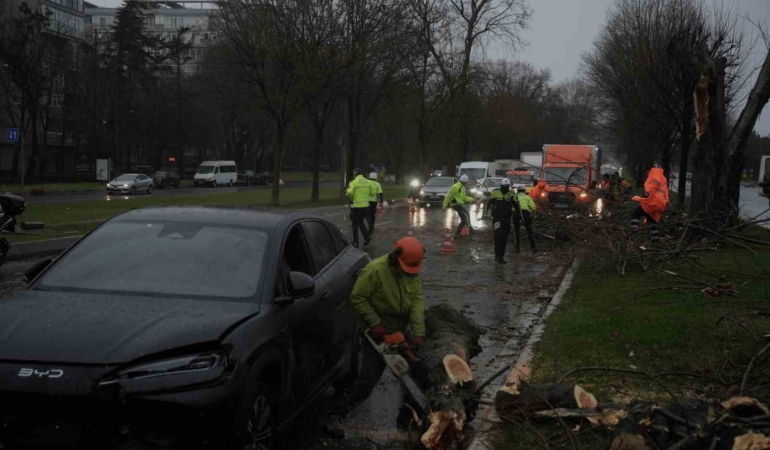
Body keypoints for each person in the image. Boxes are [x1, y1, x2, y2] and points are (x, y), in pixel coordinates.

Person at [350, 236, 426, 347]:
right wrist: (374, 322)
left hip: (401, 329)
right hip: (378, 330)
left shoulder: (412, 270)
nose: (408, 274)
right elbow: (357, 297)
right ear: (396, 259)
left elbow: (416, 300)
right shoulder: (375, 270)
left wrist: (418, 333)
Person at [631, 167, 669, 241]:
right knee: (651, 220)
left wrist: (646, 193)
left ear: (649, 170)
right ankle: (655, 240)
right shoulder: (662, 177)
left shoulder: (655, 172)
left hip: (654, 202)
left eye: (647, 173)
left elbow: (655, 183)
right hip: (660, 204)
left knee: (635, 213)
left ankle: (634, 234)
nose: (647, 175)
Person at [489, 178, 516, 264]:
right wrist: (487, 213)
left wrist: (519, 217)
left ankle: (501, 256)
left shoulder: (511, 194)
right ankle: (497, 256)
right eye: (504, 186)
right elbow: (488, 203)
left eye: (507, 186)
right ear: (501, 186)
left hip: (506, 219)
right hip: (497, 218)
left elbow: (517, 206)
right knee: (498, 236)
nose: (505, 188)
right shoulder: (495, 193)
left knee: (504, 238)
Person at [347, 168, 375, 248]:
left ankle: (355, 241)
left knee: (354, 223)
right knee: (360, 221)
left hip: (356, 206)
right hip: (365, 206)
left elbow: (349, 192)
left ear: (355, 174)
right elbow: (373, 192)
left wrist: (350, 197)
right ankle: (366, 237)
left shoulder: (353, 182)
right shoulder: (368, 182)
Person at [514, 186, 538, 253]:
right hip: (526, 214)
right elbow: (534, 208)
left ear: (518, 191)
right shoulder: (527, 197)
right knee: (529, 231)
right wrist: (533, 214)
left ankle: (517, 249)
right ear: (524, 191)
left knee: (516, 231)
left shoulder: (514, 197)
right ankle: (534, 248)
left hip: (516, 213)